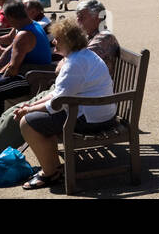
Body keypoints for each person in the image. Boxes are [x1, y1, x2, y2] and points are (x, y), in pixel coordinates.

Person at [0, 0, 118, 180]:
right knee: (11, 108)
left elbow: (62, 74)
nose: (77, 20)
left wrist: (27, 106)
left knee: (8, 104)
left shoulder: (95, 41)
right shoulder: (71, 42)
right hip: (73, 95)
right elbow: (19, 51)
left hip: (81, 105)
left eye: (81, 17)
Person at [16, 15, 118, 189]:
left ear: (69, 41)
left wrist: (28, 111)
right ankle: (53, 167)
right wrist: (31, 107)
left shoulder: (74, 64)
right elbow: (59, 93)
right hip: (97, 112)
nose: (54, 42)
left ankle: (50, 173)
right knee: (36, 118)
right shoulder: (80, 56)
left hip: (92, 119)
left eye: (58, 39)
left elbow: (58, 103)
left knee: (28, 123)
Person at [0, 0, 54, 122]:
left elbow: (13, 68)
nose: (7, 21)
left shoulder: (24, 33)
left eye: (6, 17)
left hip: (33, 77)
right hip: (26, 70)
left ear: (12, 16)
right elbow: (9, 46)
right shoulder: (26, 25)